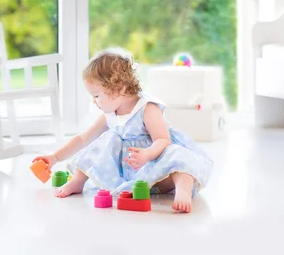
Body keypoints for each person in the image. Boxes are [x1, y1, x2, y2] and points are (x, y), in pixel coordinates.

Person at [33, 49, 213, 213]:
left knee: (179, 158)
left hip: (155, 167)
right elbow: (83, 139)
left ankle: (182, 190)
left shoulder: (147, 108)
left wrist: (147, 154)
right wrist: (55, 158)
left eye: (96, 96)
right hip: (127, 173)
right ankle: (78, 181)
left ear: (119, 89)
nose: (94, 101)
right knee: (98, 146)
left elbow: (163, 139)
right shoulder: (110, 114)